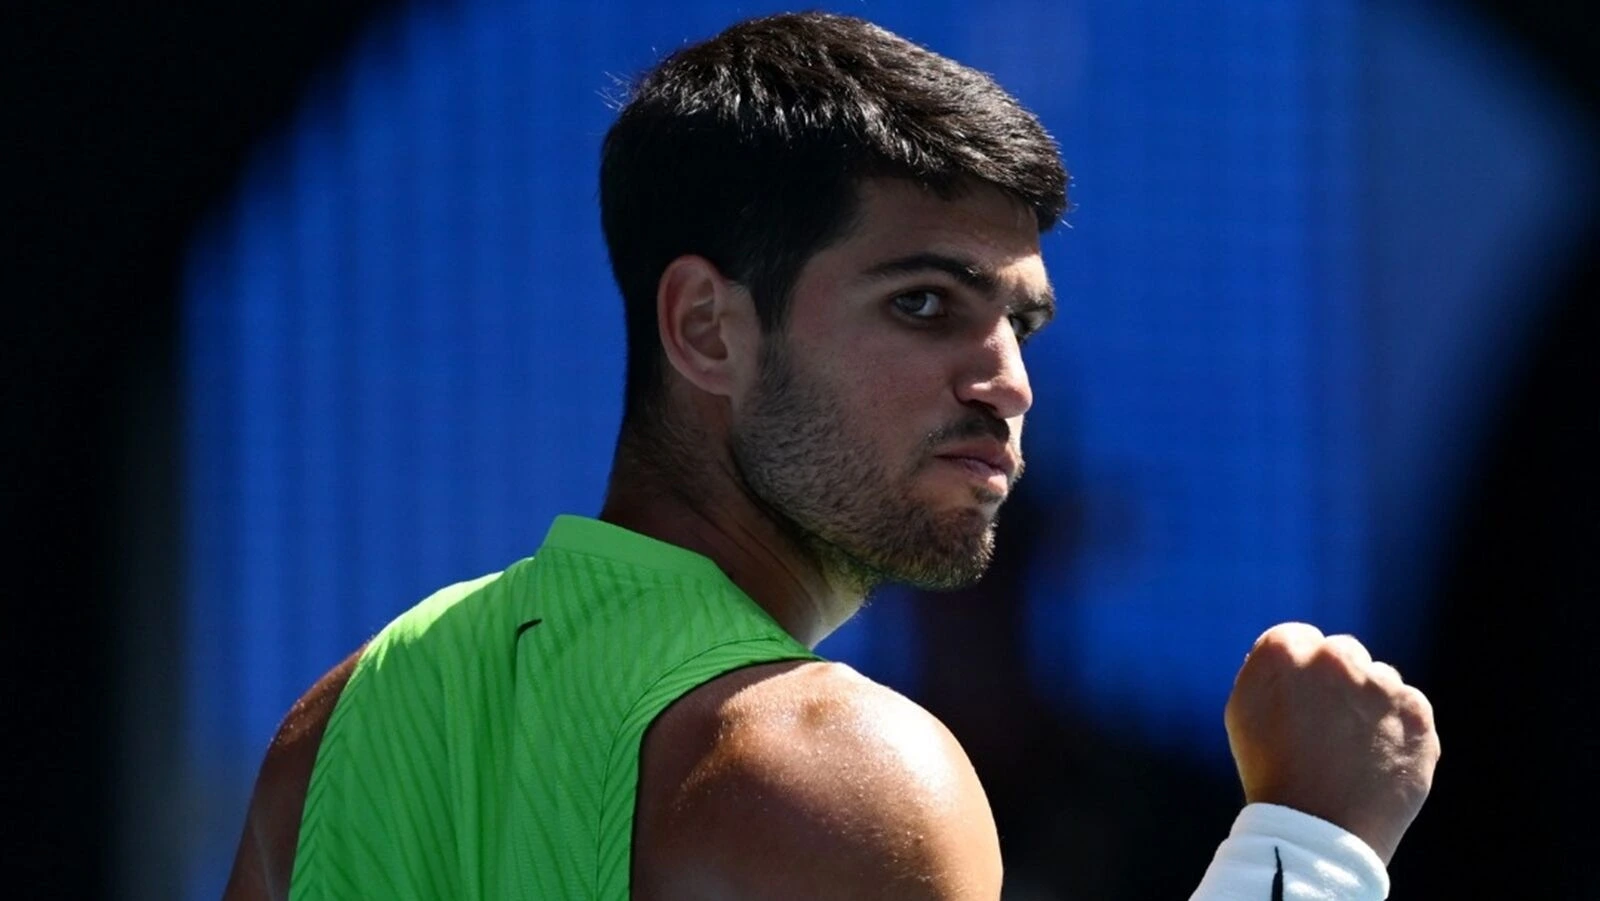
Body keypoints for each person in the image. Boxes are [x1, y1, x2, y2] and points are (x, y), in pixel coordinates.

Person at [224, 11, 1440, 900]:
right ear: (707, 327)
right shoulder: (847, 773)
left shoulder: (335, 726)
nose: (1006, 381)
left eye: (1016, 325)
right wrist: (1311, 842)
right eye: (923, 303)